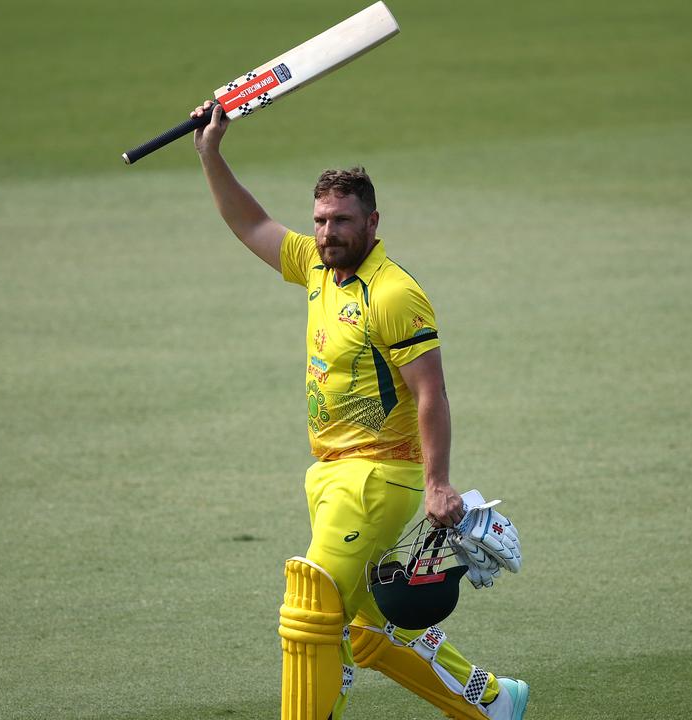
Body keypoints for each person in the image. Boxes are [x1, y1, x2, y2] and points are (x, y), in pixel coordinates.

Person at [190, 100, 529, 720]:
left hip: (377, 476)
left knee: (312, 606)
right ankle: (492, 702)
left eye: (341, 220)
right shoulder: (318, 269)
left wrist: (437, 482)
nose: (327, 232)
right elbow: (250, 224)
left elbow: (432, 391)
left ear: (372, 221)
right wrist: (211, 153)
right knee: (370, 629)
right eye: (320, 220)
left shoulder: (394, 293)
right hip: (329, 474)